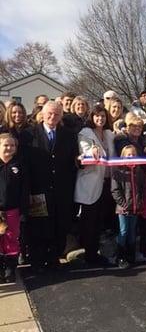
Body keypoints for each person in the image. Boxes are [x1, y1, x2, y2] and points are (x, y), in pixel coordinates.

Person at [26, 101, 78, 270]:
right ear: (43, 113)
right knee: (39, 225)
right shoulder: (30, 134)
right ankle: (37, 260)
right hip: (38, 189)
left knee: (60, 224)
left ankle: (54, 258)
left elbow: (73, 161)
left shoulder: (69, 135)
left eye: (56, 114)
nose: (52, 117)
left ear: (61, 116)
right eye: (49, 113)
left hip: (61, 190)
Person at [74, 104, 115, 265]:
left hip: (107, 182)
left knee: (100, 221)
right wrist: (93, 151)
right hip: (90, 183)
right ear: (92, 117)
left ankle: (96, 252)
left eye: (103, 116)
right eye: (97, 116)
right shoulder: (85, 133)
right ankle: (89, 254)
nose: (100, 119)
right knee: (89, 221)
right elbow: (85, 151)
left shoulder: (109, 133)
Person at [0, 134, 29, 283]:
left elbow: (24, 191)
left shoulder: (19, 165)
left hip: (13, 211)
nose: (9, 148)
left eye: (12, 145)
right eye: (6, 145)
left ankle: (10, 268)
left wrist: (23, 211)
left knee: (11, 239)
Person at [111, 145, 146, 268]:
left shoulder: (139, 171)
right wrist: (123, 204)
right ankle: (120, 257)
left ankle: (131, 255)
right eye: (128, 155)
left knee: (132, 232)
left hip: (135, 208)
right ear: (123, 156)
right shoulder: (118, 171)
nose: (131, 157)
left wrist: (140, 202)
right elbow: (115, 190)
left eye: (133, 154)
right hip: (123, 209)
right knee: (123, 231)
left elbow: (143, 189)